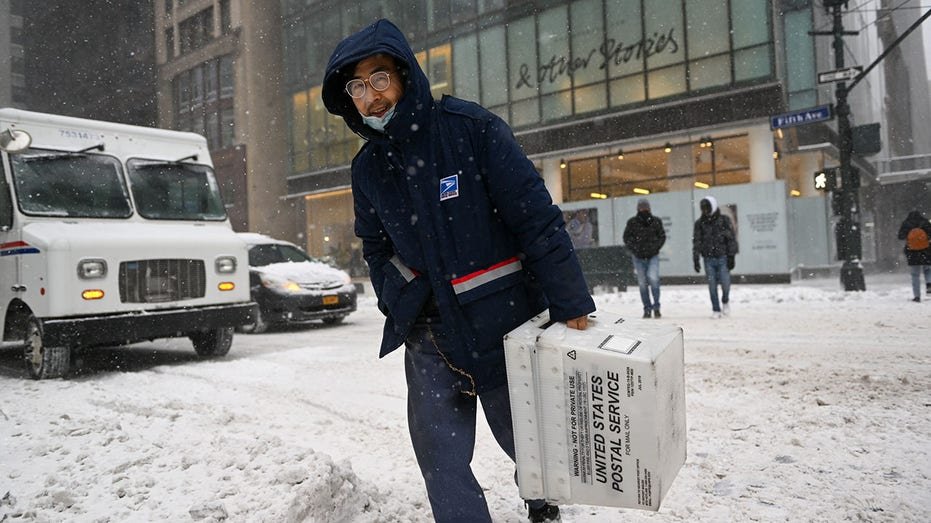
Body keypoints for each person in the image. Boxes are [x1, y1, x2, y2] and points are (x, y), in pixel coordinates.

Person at [321, 19, 594, 523]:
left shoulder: (471, 131)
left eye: (379, 78)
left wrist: (571, 301)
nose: (370, 96)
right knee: (440, 460)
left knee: (527, 438)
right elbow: (375, 246)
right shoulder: (367, 169)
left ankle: (542, 505)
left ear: (404, 74)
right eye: (356, 86)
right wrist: (395, 292)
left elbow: (536, 221)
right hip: (430, 335)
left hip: (504, 321)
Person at [692, 195, 738, 318]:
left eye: (707, 208)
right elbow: (697, 241)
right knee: (712, 286)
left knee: (726, 284)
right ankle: (716, 309)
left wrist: (731, 256)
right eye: (703, 209)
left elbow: (731, 239)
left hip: (723, 257)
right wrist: (696, 258)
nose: (705, 211)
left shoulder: (724, 220)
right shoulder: (699, 224)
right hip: (708, 259)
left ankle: (725, 301)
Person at [622, 198, 666, 318]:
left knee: (654, 280)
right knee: (642, 284)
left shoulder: (656, 221)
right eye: (642, 207)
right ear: (638, 208)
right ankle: (647, 308)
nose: (644, 209)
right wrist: (635, 249)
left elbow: (662, 236)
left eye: (645, 207)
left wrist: (655, 248)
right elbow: (626, 238)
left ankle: (656, 307)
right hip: (638, 257)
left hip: (653, 256)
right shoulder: (632, 222)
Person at [897, 210, 931, 302]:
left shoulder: (907, 223)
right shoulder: (925, 222)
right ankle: (929, 286)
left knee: (915, 275)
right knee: (928, 270)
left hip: (912, 252)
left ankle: (917, 296)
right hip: (926, 251)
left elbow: (900, 236)